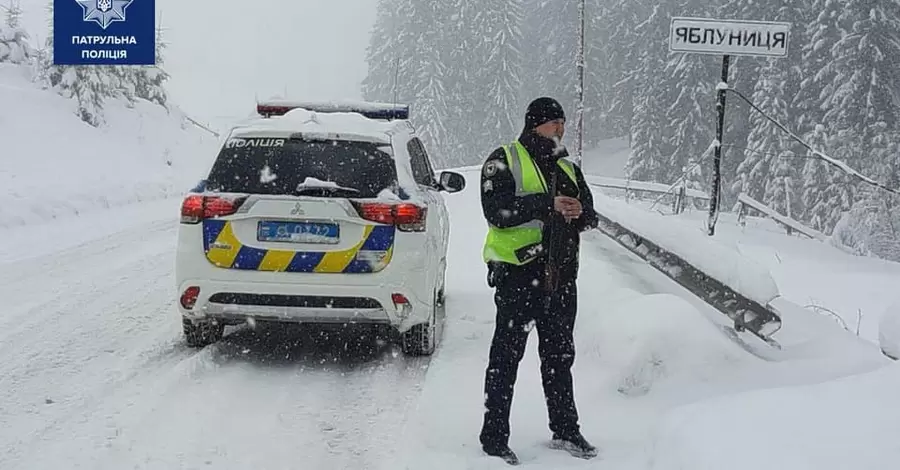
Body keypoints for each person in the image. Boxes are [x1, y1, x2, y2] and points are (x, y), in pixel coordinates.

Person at [478, 97, 599, 465]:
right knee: (506, 358)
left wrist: (580, 213)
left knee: (559, 358)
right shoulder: (505, 159)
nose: (560, 129)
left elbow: (590, 214)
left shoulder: (569, 167)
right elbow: (496, 212)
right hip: (519, 275)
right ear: (535, 125)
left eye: (562, 122)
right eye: (553, 123)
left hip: (561, 278)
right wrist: (547, 205)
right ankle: (494, 438)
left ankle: (565, 429)